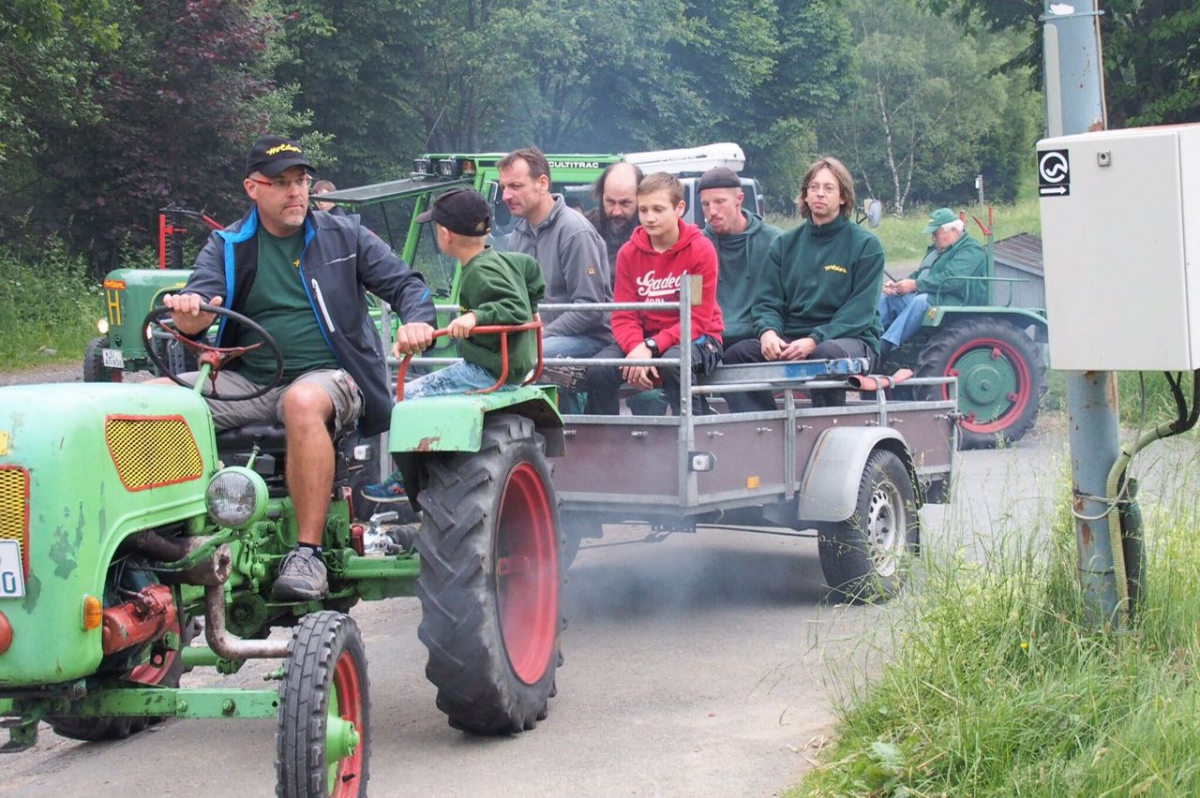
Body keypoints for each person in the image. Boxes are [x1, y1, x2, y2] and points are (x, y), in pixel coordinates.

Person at [157, 135, 438, 601]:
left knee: (301, 400)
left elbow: (407, 284)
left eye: (301, 181)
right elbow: (202, 305)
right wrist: (191, 314)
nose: (296, 193)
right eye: (281, 183)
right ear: (253, 188)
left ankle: (307, 554)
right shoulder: (228, 245)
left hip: (333, 377)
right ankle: (168, 541)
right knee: (150, 402)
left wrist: (417, 322)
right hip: (252, 378)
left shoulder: (343, 235)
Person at [362, 188, 546, 502]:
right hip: (498, 364)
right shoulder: (502, 259)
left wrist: (477, 316)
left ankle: (406, 480)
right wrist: (535, 301)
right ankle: (434, 465)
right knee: (424, 388)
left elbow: (514, 309)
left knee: (406, 400)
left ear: (445, 234)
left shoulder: (480, 271)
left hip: (487, 371)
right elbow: (531, 271)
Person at [722, 156, 885, 411]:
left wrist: (814, 340)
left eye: (828, 188)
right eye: (813, 187)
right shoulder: (785, 244)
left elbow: (860, 312)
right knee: (737, 355)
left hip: (849, 339)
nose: (820, 194)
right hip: (791, 338)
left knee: (825, 355)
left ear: (843, 197)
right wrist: (768, 333)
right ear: (805, 196)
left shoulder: (866, 245)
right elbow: (767, 301)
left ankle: (825, 428)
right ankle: (765, 429)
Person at [582, 172, 724, 416]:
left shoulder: (700, 250)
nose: (649, 218)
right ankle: (607, 445)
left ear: (679, 208)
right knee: (600, 369)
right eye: (644, 210)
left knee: (672, 364)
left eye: (658, 209)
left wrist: (651, 346)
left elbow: (697, 319)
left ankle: (695, 443)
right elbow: (624, 315)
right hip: (644, 340)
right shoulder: (629, 253)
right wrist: (637, 349)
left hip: (699, 338)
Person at [500, 147, 613, 358]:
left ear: (542, 184)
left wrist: (540, 334)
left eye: (515, 186)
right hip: (544, 337)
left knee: (521, 357)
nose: (506, 195)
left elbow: (589, 308)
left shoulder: (574, 231)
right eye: (504, 187)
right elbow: (516, 302)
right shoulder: (518, 235)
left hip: (591, 339)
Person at [878, 207, 987, 354]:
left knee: (921, 301)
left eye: (936, 233)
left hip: (957, 301)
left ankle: (886, 345)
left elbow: (952, 279)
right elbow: (921, 274)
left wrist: (915, 285)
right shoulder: (936, 251)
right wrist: (899, 285)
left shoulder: (971, 249)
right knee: (888, 298)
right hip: (934, 296)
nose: (933, 238)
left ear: (954, 230)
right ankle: (867, 337)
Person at [698, 166, 781, 349]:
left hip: (758, 339)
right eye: (705, 204)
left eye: (720, 202)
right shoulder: (697, 246)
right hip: (709, 341)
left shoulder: (775, 242)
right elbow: (694, 301)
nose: (712, 211)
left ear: (739, 199)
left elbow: (779, 300)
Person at [584, 161, 644, 279]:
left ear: (640, 199)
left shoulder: (654, 231)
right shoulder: (584, 229)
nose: (616, 211)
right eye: (610, 202)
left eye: (625, 203)